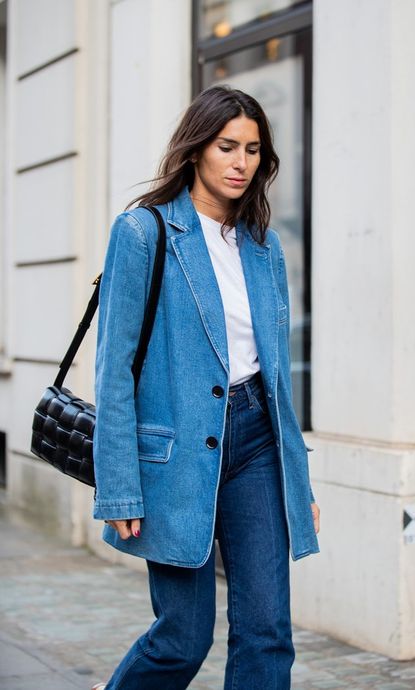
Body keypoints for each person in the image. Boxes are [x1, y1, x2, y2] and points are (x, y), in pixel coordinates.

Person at [91, 85, 320, 690]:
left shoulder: (265, 249)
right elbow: (114, 370)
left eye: (252, 149)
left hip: (256, 448)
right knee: (181, 639)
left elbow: (275, 378)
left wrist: (297, 478)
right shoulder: (144, 233)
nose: (241, 162)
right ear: (197, 149)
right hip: (175, 454)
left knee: (268, 631)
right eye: (227, 147)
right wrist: (119, 489)